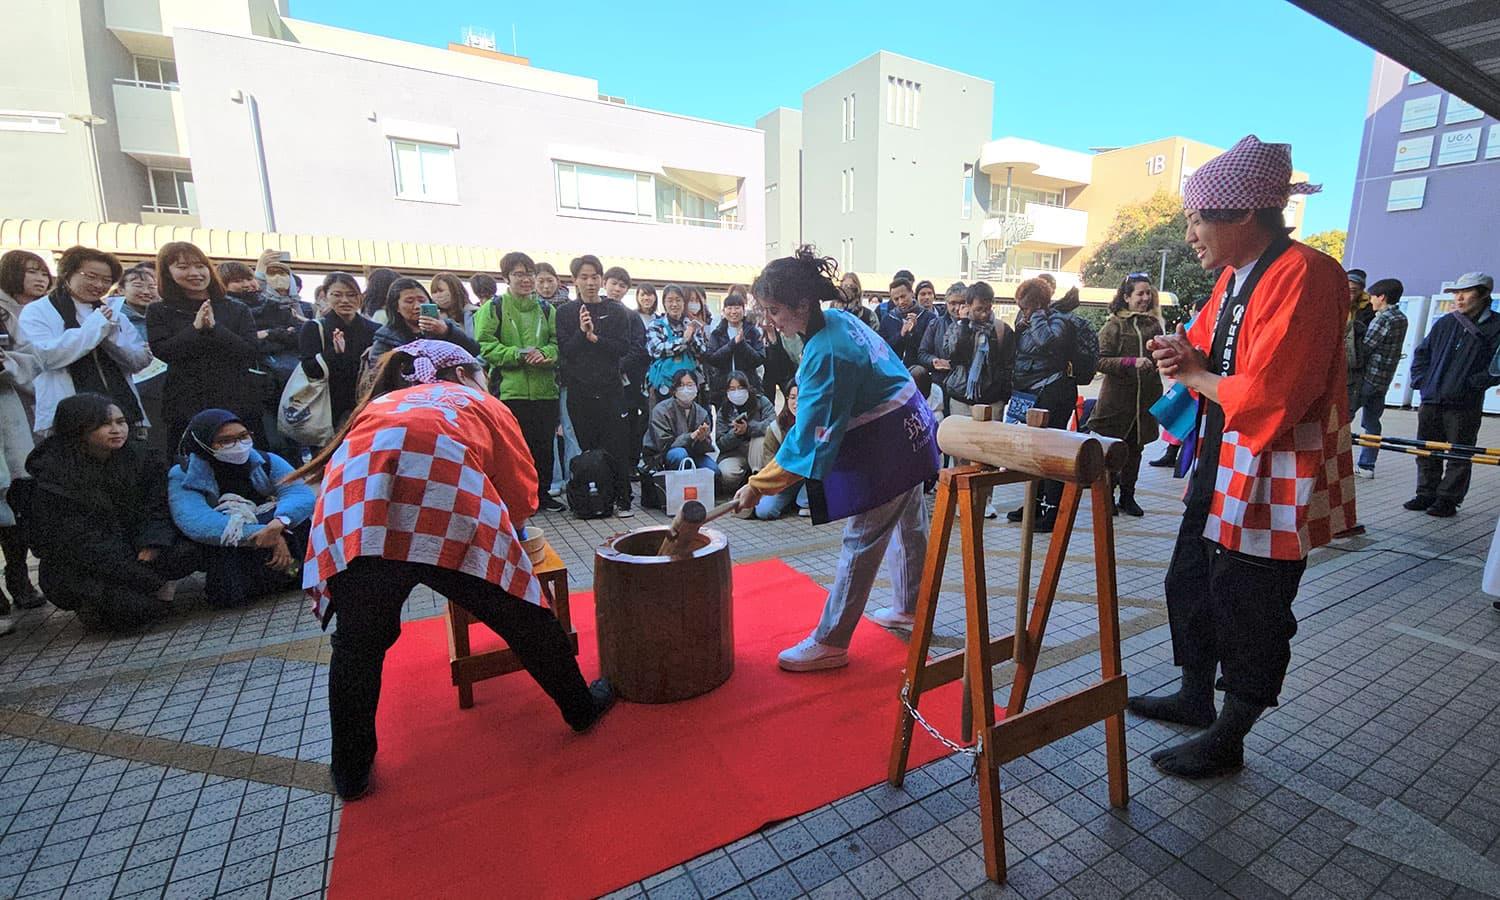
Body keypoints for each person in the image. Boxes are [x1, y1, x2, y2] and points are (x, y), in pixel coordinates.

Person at [292, 340, 614, 798]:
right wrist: (514, 534)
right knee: (523, 615)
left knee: (358, 643)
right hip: (447, 510)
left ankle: (350, 770)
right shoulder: (476, 401)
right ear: (462, 373)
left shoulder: (383, 403)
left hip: (358, 517)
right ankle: (580, 708)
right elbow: (520, 487)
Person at [1127, 135, 1355, 779]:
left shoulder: (1308, 273)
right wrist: (1176, 356)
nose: (1191, 231)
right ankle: (1197, 694)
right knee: (1193, 575)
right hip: (1226, 451)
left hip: (1279, 461)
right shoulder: (1233, 277)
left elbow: (1280, 394)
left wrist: (1195, 376)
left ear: (1243, 215)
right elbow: (1197, 347)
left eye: (1199, 217)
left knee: (1251, 599)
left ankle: (1232, 730)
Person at [732, 248, 940, 671]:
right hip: (913, 429)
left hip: (889, 446)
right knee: (911, 525)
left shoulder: (827, 352)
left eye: (774, 310)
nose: (770, 319)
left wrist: (758, 485)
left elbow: (807, 441)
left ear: (802, 304)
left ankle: (831, 640)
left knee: (862, 538)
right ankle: (910, 607)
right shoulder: (840, 321)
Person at [25, 393, 197, 631]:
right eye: (105, 424)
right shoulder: (53, 477)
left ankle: (145, 591)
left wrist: (153, 543)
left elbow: (158, 508)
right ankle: (97, 604)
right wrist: (139, 575)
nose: (117, 430)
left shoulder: (142, 458)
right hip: (86, 564)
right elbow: (81, 542)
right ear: (78, 429)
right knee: (132, 613)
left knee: (187, 552)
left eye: (121, 421)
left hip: (136, 547)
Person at [168, 408, 313, 607]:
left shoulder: (265, 460)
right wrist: (265, 533)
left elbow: (300, 493)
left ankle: (294, 572)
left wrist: (279, 522)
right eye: (225, 441)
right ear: (203, 443)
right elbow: (196, 521)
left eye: (243, 436)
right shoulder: (184, 474)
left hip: (275, 529)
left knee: (297, 523)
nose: (238, 445)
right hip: (236, 544)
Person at [18, 245, 152, 438]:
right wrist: (95, 328)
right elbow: (44, 357)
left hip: (123, 413)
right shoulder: (37, 310)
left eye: (106, 280)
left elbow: (139, 361)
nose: (99, 285)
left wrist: (111, 336)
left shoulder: (114, 314)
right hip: (67, 417)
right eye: (90, 276)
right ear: (67, 274)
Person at [147, 242, 263, 449]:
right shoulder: (159, 310)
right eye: (183, 267)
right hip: (185, 401)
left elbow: (249, 351)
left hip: (236, 398)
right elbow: (163, 351)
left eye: (200, 266)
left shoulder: (235, 308)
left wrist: (216, 328)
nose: (195, 273)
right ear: (167, 272)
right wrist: (195, 328)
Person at [474, 252, 566, 512]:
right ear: (506, 278)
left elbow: (557, 345)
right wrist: (517, 355)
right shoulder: (494, 307)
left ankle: (543, 494)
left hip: (545, 390)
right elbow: (483, 345)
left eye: (529, 273)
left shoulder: (547, 309)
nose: (525, 280)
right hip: (509, 390)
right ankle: (517, 499)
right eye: (518, 274)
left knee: (544, 446)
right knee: (514, 448)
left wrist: (546, 355)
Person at [1405, 272, 1500, 517]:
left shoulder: (1496, 326)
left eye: (1465, 292)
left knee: (1459, 452)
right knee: (1425, 449)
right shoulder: (1446, 322)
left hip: (1465, 403)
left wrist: (1473, 384)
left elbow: (1497, 367)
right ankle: (1425, 493)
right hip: (1431, 398)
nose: (1459, 298)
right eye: (1456, 293)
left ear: (1483, 294)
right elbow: (1422, 353)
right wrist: (1421, 381)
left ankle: (1448, 500)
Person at [555, 255, 635, 516]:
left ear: (601, 279)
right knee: (588, 448)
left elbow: (622, 348)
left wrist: (594, 337)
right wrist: (581, 333)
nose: (590, 282)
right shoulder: (565, 312)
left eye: (594, 277)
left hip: (611, 390)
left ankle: (623, 499)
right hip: (580, 392)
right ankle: (598, 496)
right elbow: (566, 352)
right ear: (575, 280)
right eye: (584, 277)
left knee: (617, 446)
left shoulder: (616, 310)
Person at [1087, 275, 1165, 517]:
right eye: (1139, 294)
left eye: (1147, 293)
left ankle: (1128, 496)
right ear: (1126, 297)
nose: (1145, 298)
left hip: (1144, 403)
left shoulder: (1153, 325)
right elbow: (1099, 360)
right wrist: (1131, 362)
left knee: (1136, 450)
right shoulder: (1114, 326)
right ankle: (1107, 496)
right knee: (1112, 450)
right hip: (1117, 403)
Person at [1007, 277, 1073, 530]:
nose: (1021, 311)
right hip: (1029, 392)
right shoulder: (1026, 320)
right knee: (1033, 452)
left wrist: (1035, 315)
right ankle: (1033, 503)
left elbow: (1047, 342)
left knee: (1050, 451)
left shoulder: (1058, 319)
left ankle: (1051, 509)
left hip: (1052, 391)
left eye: (1024, 306)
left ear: (1034, 303)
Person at [299, 273, 379, 428]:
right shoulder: (314, 328)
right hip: (327, 406)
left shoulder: (374, 330)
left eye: (351, 295)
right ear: (325, 296)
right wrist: (333, 353)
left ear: (360, 297)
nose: (345, 300)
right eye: (337, 295)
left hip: (365, 403)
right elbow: (310, 370)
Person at [1352, 278, 1409, 478]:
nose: (1371, 301)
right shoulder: (1401, 317)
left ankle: (1331, 459)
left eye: (1373, 297)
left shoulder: (1382, 318)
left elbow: (1366, 348)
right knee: (1372, 422)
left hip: (1368, 378)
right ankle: (1367, 465)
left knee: (1343, 417)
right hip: (1384, 379)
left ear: (1382, 297)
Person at [938, 282, 1014, 418]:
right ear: (968, 305)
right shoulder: (957, 327)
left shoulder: (1002, 329)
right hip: (961, 397)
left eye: (988, 309)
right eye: (979, 309)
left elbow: (1008, 365)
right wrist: (964, 326)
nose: (984, 314)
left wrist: (1003, 395)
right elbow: (953, 355)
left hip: (992, 400)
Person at [604, 267, 651, 473]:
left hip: (628, 382)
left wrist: (618, 366)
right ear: (604, 283)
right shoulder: (593, 311)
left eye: (622, 286)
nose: (617, 289)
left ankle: (630, 465)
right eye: (613, 283)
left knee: (631, 423)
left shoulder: (632, 316)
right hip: (597, 381)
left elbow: (638, 347)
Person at [370, 277, 481, 360]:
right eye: (409, 301)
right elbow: (378, 372)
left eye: (422, 300)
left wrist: (447, 332)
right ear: (396, 307)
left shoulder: (446, 327)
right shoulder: (386, 338)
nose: (417, 306)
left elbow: (474, 351)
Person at [646, 370, 718, 477]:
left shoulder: (701, 412)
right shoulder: (661, 410)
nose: (686, 389)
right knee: (680, 454)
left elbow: (705, 449)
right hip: (665, 455)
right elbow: (665, 444)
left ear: (696, 388)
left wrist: (702, 439)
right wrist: (691, 436)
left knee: (714, 471)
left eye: (690, 385)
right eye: (681, 385)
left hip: (693, 454)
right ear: (674, 389)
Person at [753, 383, 809, 519]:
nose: (796, 403)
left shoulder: (816, 424)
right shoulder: (775, 428)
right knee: (764, 511)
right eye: (792, 398)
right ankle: (792, 500)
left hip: (808, 479)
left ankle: (804, 501)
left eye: (801, 398)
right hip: (783, 479)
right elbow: (769, 462)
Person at [645, 284, 708, 402]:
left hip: (689, 385)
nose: (674, 304)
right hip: (664, 384)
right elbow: (656, 350)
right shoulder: (656, 325)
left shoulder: (691, 325)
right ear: (664, 303)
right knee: (662, 418)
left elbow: (702, 352)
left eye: (678, 300)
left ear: (684, 303)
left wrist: (692, 338)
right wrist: (683, 341)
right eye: (670, 300)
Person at [715, 371, 775, 491]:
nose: (736, 392)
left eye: (740, 388)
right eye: (732, 389)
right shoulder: (724, 410)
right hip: (734, 453)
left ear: (747, 387)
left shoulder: (762, 402)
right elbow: (720, 443)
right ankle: (744, 480)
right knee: (727, 474)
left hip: (758, 451)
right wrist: (736, 434)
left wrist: (749, 429)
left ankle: (759, 479)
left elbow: (773, 424)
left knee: (759, 439)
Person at [704, 291, 766, 401]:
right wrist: (732, 344)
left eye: (737, 308)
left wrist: (742, 344)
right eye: (729, 308)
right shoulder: (717, 333)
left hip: (748, 386)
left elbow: (759, 359)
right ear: (723, 311)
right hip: (723, 388)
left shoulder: (753, 332)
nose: (733, 312)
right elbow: (712, 359)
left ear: (743, 310)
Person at [875, 278, 935, 367]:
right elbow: (883, 348)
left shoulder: (929, 317)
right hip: (894, 368)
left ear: (912, 293)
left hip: (921, 369)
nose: (901, 302)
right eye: (896, 299)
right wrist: (901, 334)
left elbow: (930, 349)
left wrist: (914, 331)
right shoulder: (887, 319)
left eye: (903, 296)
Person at [918, 283, 967, 385]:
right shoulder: (935, 324)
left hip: (965, 384)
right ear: (947, 303)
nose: (957, 308)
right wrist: (934, 361)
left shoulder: (976, 326)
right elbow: (922, 353)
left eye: (962, 303)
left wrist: (952, 364)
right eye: (953, 303)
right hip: (940, 381)